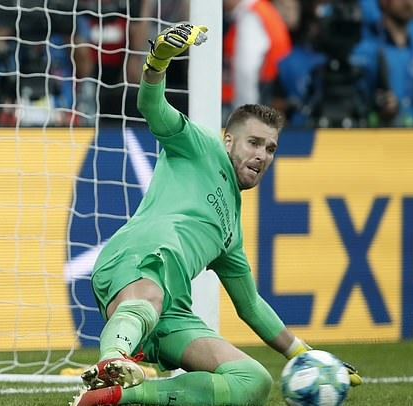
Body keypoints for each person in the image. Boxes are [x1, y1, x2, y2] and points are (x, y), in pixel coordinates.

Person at [71, 23, 362, 406]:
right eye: (254, 143)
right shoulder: (200, 145)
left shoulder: (230, 233)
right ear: (228, 140)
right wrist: (158, 60)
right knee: (147, 297)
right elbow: (152, 107)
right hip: (135, 263)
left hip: (172, 310)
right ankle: (112, 361)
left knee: (253, 380)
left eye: (270, 149)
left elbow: (251, 305)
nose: (261, 155)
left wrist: (304, 355)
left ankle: (119, 396)